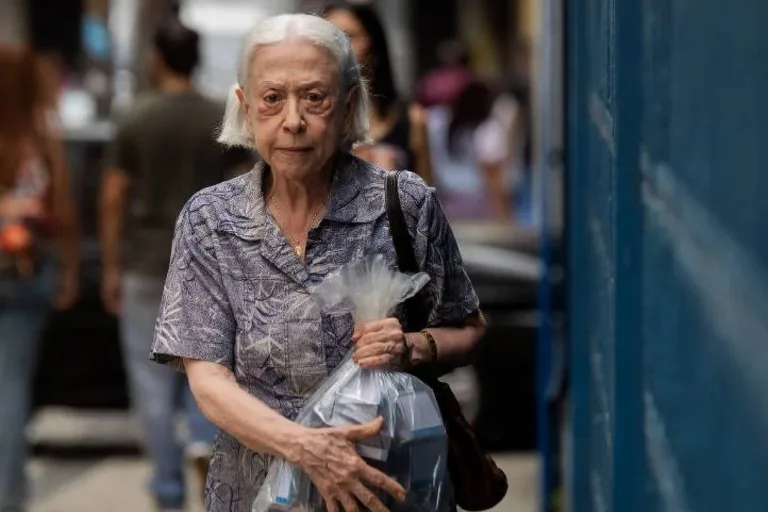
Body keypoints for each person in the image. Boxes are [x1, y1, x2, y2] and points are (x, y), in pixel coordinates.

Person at [149, 13, 485, 512]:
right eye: (271, 98)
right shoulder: (210, 220)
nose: (292, 120)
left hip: (386, 486)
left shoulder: (404, 203)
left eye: (314, 97)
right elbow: (209, 381)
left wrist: (411, 345)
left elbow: (470, 328)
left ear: (349, 105)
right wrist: (307, 448)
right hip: (253, 493)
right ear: (244, 107)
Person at [99, 19, 253, 511]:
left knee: (151, 382)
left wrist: (109, 266)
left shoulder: (134, 117)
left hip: (145, 261)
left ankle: (167, 488)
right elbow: (249, 185)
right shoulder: (218, 114)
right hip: (211, 263)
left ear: (157, 59)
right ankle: (204, 441)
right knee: (207, 365)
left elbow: (113, 195)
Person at [0, 45, 79, 511]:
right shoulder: (42, 137)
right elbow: (64, 212)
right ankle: (9, 498)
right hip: (27, 274)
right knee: (10, 387)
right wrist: (69, 269)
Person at [323, 2, 433, 182]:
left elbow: (428, 201)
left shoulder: (412, 119)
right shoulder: (308, 123)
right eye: (326, 38)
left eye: (347, 36)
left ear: (372, 43)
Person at [426, 80, 512, 221]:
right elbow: (493, 178)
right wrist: (504, 215)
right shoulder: (488, 129)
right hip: (478, 202)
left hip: (446, 199)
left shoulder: (443, 124)